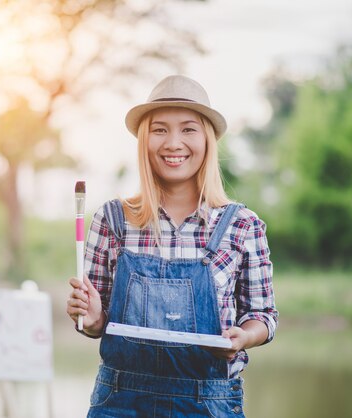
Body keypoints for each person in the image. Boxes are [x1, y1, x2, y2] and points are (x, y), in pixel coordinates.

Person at [66, 75, 278, 417]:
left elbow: (263, 315)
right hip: (120, 402)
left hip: (209, 403)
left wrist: (243, 337)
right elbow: (98, 323)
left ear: (207, 140)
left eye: (188, 129)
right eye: (160, 129)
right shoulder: (112, 220)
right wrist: (90, 319)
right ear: (144, 140)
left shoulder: (242, 225)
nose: (173, 142)